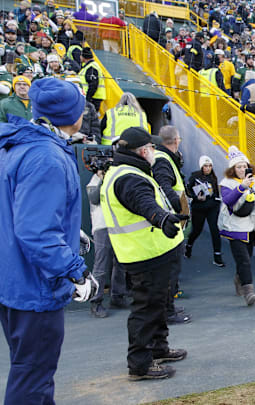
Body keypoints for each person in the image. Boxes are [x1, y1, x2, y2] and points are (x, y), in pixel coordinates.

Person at [0, 78, 98, 403]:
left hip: (14, 279)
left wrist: (71, 232)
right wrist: (77, 271)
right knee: (32, 377)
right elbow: (36, 232)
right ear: (72, 114)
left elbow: (21, 214)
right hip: (35, 286)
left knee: (33, 373)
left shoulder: (19, 145)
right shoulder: (47, 157)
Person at [100, 127, 188, 380]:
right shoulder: (129, 176)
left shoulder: (128, 171)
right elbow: (144, 203)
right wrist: (162, 219)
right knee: (146, 308)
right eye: (152, 147)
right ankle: (140, 364)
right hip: (145, 253)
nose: (155, 152)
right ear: (143, 151)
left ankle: (158, 349)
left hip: (152, 251)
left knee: (157, 304)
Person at [218, 146, 255, 305]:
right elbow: (228, 200)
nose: (241, 169)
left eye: (244, 166)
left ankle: (239, 279)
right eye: (238, 167)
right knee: (244, 260)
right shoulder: (226, 183)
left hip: (251, 227)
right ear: (233, 169)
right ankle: (249, 292)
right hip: (234, 227)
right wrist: (242, 186)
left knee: (246, 258)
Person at [152, 125, 191, 324]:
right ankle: (168, 312)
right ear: (176, 141)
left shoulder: (162, 158)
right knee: (170, 269)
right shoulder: (163, 160)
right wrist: (178, 212)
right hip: (170, 224)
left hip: (169, 223)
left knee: (172, 269)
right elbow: (165, 190)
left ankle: (169, 307)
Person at [87, 165, 128, 318]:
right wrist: (102, 179)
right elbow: (94, 197)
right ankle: (95, 301)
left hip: (117, 225)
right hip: (101, 226)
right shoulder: (94, 181)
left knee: (121, 262)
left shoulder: (114, 179)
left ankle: (118, 296)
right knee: (101, 265)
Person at [185, 155, 224, 267]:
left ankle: (217, 257)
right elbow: (188, 190)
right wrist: (196, 197)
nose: (208, 168)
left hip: (212, 207)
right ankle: (189, 246)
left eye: (210, 166)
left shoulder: (213, 177)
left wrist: (217, 201)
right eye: (205, 166)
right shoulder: (195, 176)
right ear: (201, 166)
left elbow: (216, 192)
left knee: (214, 230)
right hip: (199, 208)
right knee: (197, 230)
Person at [79, 47, 106, 112]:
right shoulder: (91, 66)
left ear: (84, 57)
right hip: (93, 97)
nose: (79, 57)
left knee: (89, 118)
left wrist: (88, 99)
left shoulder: (91, 67)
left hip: (92, 98)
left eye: (81, 55)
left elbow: (93, 84)